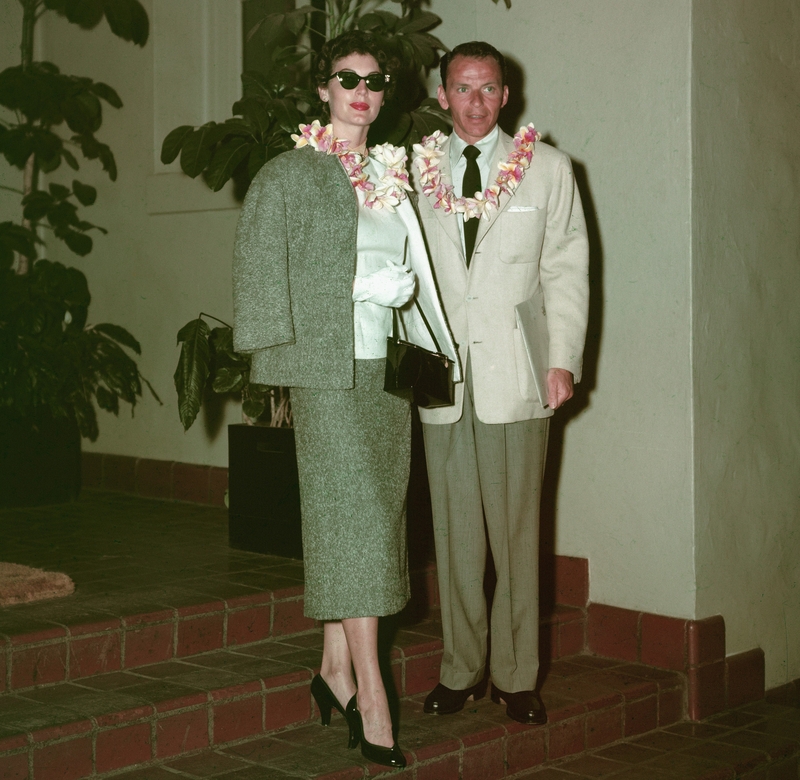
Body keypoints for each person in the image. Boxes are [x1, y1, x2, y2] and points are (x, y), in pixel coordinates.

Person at [232, 30, 459, 768]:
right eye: (346, 78)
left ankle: (332, 668)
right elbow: (263, 281)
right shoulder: (289, 175)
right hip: (326, 373)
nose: (361, 92)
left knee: (369, 521)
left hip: (384, 374)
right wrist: (352, 290)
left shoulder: (392, 174)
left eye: (373, 81)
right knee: (357, 525)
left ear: (385, 95)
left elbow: (415, 269)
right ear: (322, 92)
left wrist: (401, 295)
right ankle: (372, 697)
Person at [411, 41, 589, 725]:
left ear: (506, 95)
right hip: (443, 379)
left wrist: (561, 361)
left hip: (517, 375)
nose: (475, 102)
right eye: (462, 88)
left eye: (488, 89)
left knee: (517, 536)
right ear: (442, 96)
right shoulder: (417, 169)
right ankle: (460, 669)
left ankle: (517, 677)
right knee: (456, 536)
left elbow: (566, 269)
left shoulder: (547, 170)